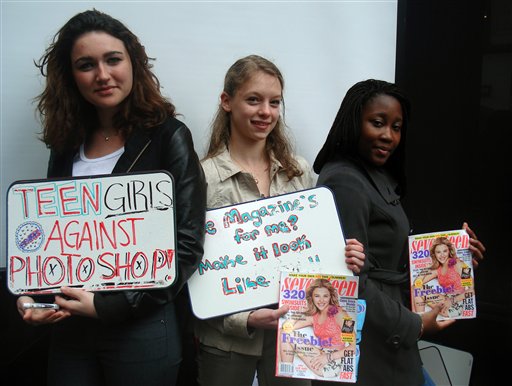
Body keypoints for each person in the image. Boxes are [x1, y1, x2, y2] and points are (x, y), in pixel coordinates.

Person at [15, 9, 206, 386]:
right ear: (71, 76)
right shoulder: (66, 144)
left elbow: (186, 245)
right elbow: (50, 238)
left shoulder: (169, 137)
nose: (102, 75)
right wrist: (29, 298)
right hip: (69, 325)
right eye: (86, 65)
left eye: (113, 59)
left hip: (142, 327)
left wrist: (109, 305)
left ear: (133, 63)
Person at [194, 54, 366, 386]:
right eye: (253, 100)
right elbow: (195, 267)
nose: (266, 112)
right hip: (227, 341)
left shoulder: (297, 172)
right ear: (227, 102)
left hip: (295, 333)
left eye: (274, 102)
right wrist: (242, 318)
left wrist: (344, 256)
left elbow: (314, 251)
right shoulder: (204, 177)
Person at [312, 79, 486, 385]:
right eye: (377, 123)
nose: (388, 136)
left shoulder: (374, 174)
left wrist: (456, 259)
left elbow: (390, 260)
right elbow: (349, 284)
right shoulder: (345, 182)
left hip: (389, 340)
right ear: (354, 122)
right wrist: (414, 326)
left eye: (396, 127)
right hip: (372, 349)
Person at [278, 278, 356, 378]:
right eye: (317, 296)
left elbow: (353, 348)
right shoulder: (314, 316)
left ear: (330, 297)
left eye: (325, 296)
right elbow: (285, 328)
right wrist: (298, 312)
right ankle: (285, 373)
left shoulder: (341, 313)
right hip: (319, 354)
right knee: (283, 332)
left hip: (332, 362)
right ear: (312, 298)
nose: (321, 300)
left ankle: (286, 374)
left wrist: (327, 357)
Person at [413, 237, 474, 317]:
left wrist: (452, 300)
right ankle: (420, 320)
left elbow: (472, 290)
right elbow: (417, 284)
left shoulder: (459, 264)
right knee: (416, 288)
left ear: (449, 251)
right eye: (438, 252)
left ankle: (420, 319)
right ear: (434, 254)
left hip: (456, 303)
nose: (442, 255)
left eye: (445, 251)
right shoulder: (437, 270)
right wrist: (426, 268)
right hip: (444, 302)